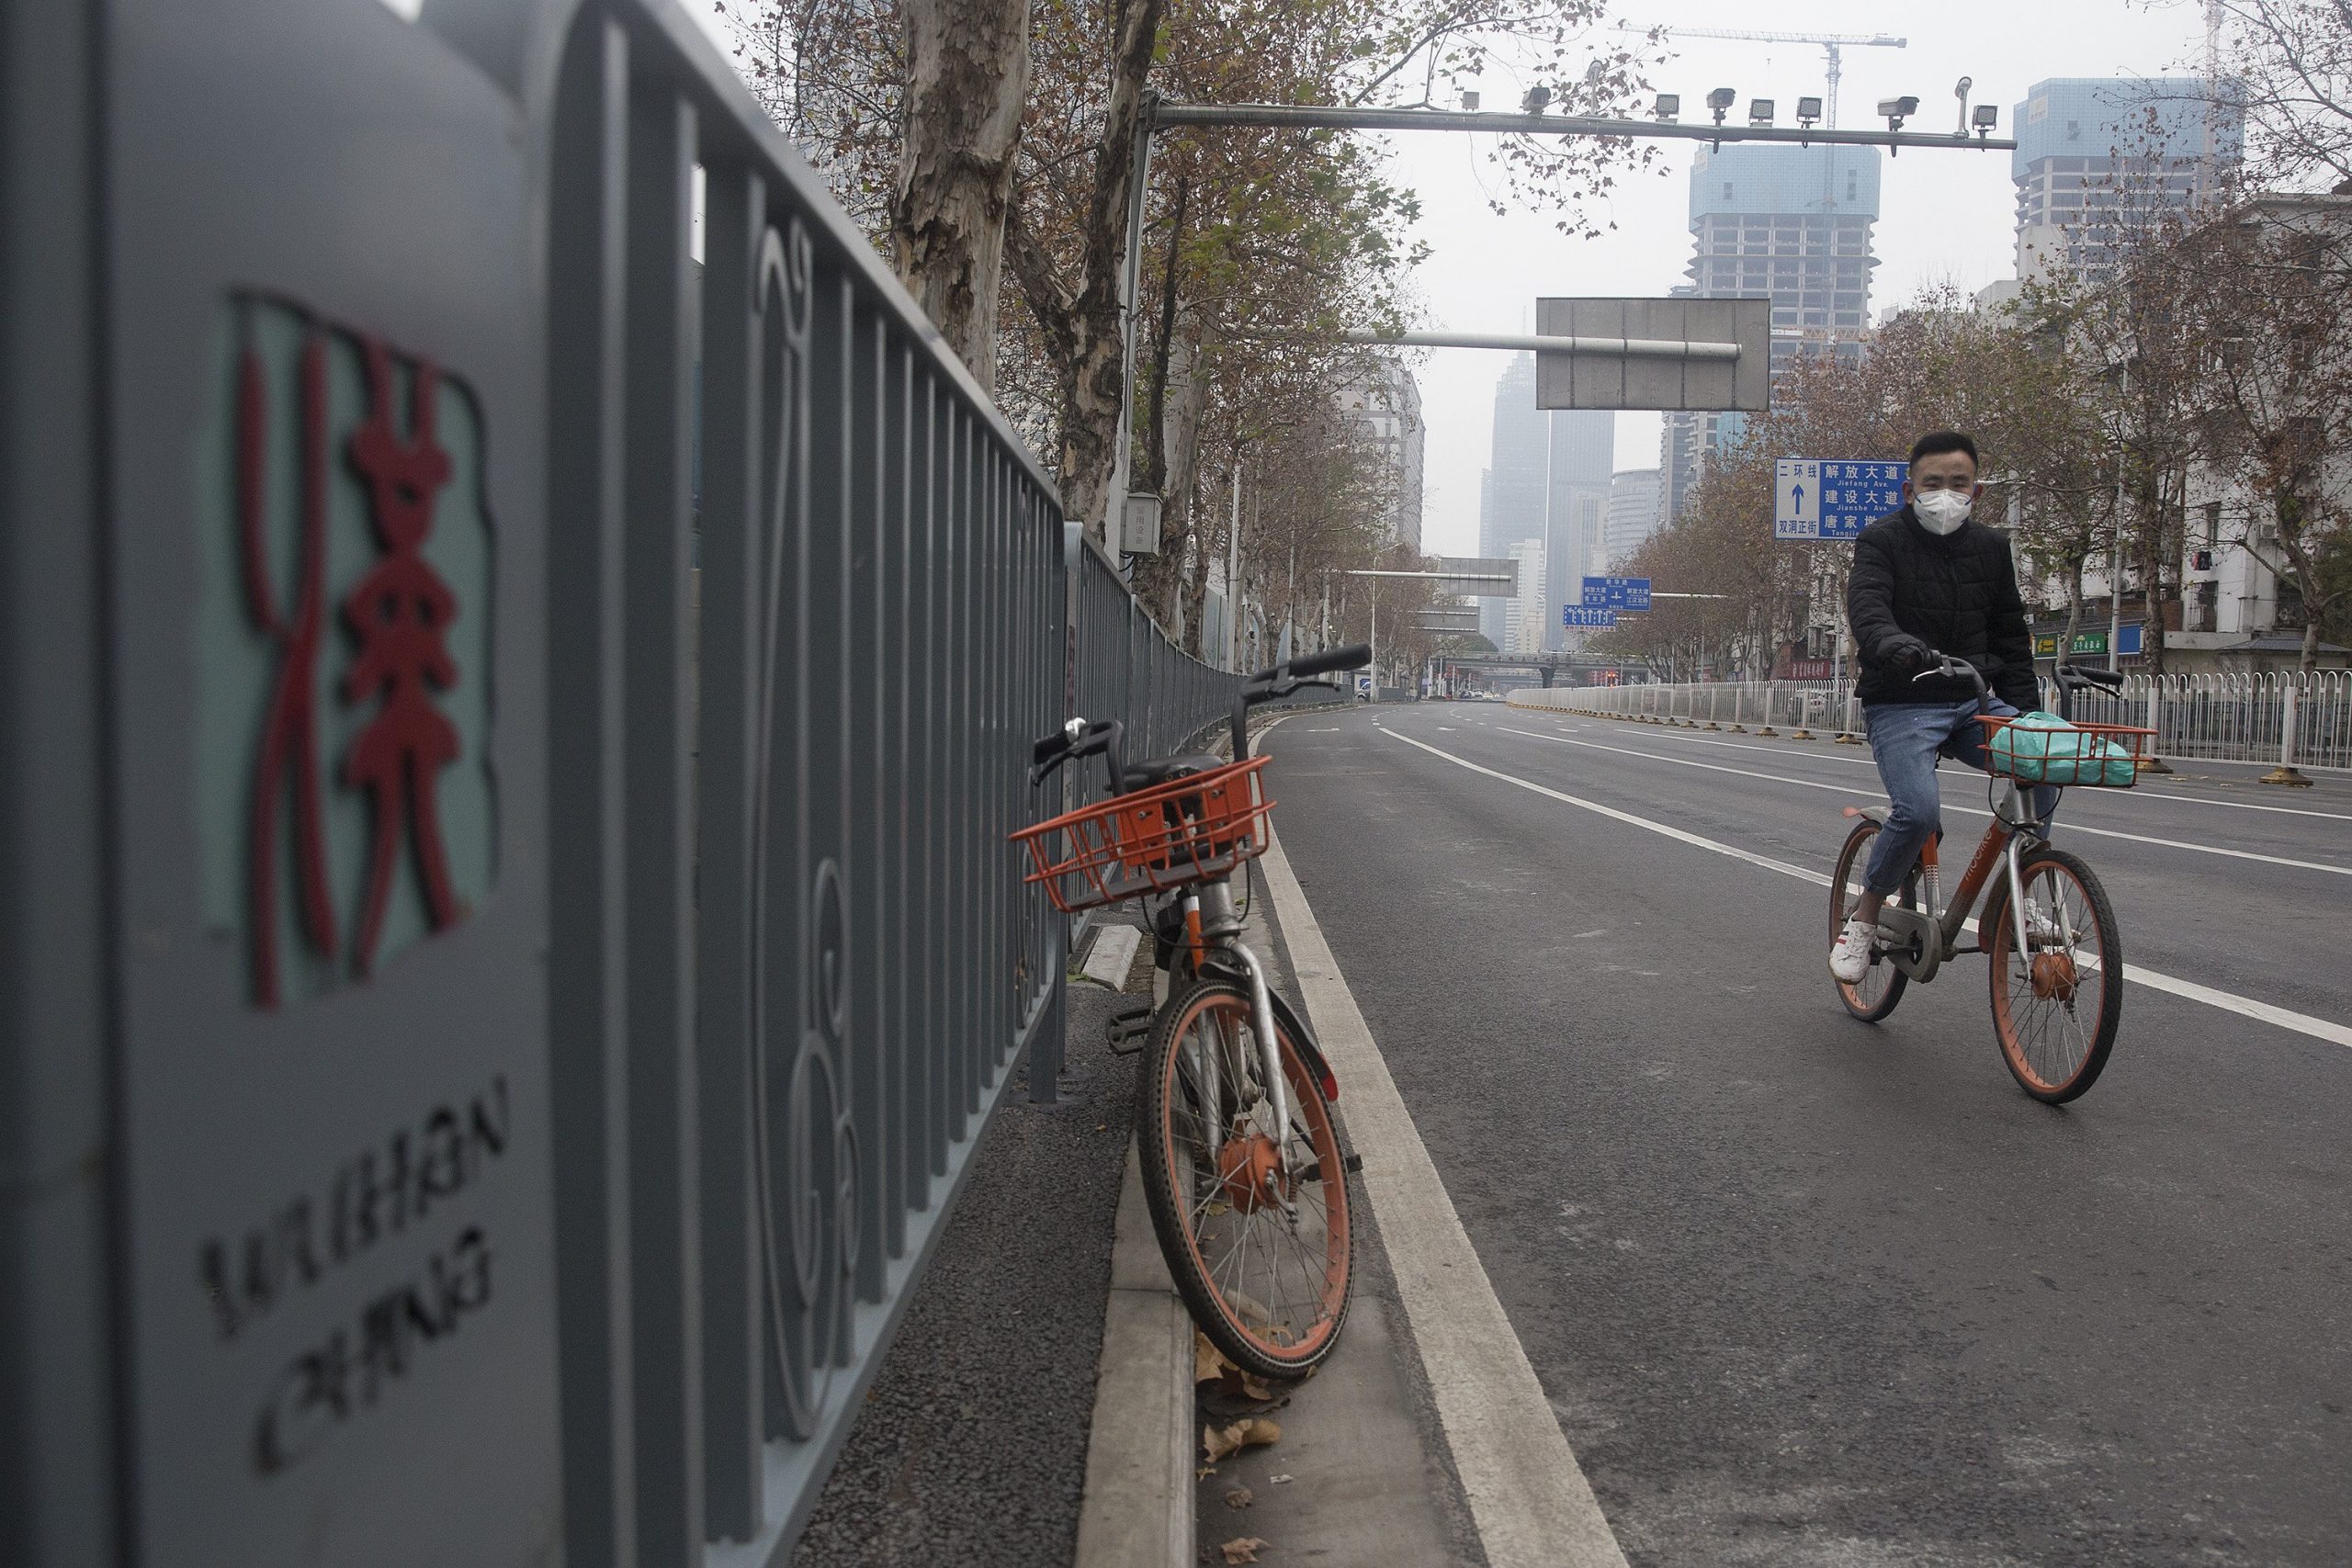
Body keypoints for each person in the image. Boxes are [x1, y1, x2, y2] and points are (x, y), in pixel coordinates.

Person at [1828, 431, 2052, 984]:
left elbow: (2010, 641)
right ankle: (1865, 916)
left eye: (1959, 484)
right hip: (1903, 700)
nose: (1946, 494)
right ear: (1910, 489)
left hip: (1974, 699)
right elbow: (1869, 610)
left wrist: (2030, 717)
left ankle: (2023, 897)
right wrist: (1893, 645)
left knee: (2044, 767)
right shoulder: (1880, 541)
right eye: (1934, 484)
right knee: (1919, 811)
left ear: (1975, 491)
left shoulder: (1992, 549)